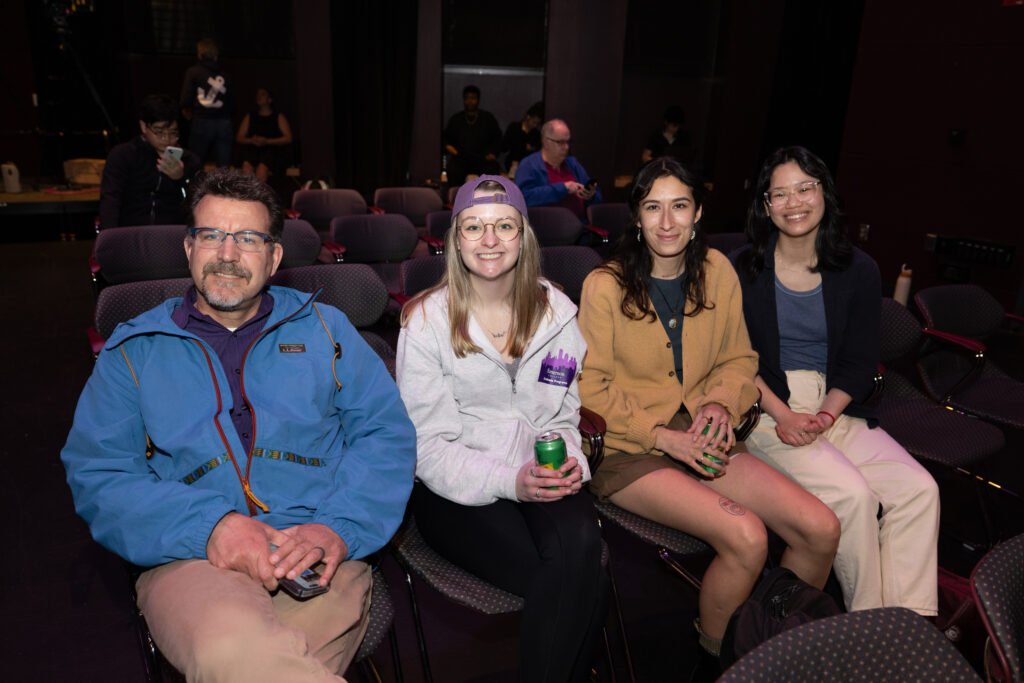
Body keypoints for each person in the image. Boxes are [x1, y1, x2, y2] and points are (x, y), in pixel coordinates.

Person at [62, 169, 417, 681]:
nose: (227, 254)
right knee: (238, 654)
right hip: (189, 554)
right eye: (211, 235)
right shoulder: (133, 351)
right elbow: (99, 475)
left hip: (316, 545)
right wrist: (211, 528)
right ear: (189, 249)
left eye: (248, 239)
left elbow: (385, 435)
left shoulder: (326, 330)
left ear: (274, 257)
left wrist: (336, 527)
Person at [578, 157, 839, 672]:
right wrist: (662, 437)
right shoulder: (604, 285)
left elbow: (740, 359)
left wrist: (720, 400)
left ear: (698, 213)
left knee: (821, 527)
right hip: (632, 448)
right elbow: (589, 388)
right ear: (637, 217)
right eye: (653, 208)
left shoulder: (718, 271)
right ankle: (718, 660)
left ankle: (774, 649)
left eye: (680, 206)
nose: (667, 222)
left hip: (703, 430)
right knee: (747, 537)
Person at [397, 175, 608, 682]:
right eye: (474, 226)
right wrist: (509, 482)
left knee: (584, 553)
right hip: (456, 488)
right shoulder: (425, 323)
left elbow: (563, 412)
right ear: (455, 239)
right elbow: (426, 446)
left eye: (503, 226)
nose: (489, 240)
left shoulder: (558, 314)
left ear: (524, 236)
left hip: (542, 466)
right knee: (570, 577)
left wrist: (569, 464)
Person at [731, 145, 940, 616]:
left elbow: (861, 360)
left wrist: (828, 413)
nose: (794, 202)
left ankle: (907, 621)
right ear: (766, 206)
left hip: (838, 406)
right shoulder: (742, 268)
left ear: (824, 192)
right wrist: (784, 416)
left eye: (805, 188)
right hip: (767, 405)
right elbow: (733, 359)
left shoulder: (858, 268)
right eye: (779, 194)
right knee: (853, 496)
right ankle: (867, 624)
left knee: (919, 491)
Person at [99, 94, 201, 229]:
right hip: (130, 233)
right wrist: (110, 237)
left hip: (172, 234)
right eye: (159, 132)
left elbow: (198, 204)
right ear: (143, 126)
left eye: (173, 132)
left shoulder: (189, 160)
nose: (167, 138)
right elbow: (110, 199)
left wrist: (182, 179)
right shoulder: (123, 155)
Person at [515, 118, 602, 220]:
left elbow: (598, 197)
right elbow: (524, 198)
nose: (566, 147)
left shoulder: (572, 163)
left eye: (568, 142)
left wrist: (590, 195)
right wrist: (564, 188)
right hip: (547, 230)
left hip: (581, 229)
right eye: (561, 142)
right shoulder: (529, 165)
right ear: (545, 141)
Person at [181, 38, 235, 168]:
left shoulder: (193, 72)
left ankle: (196, 187)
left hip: (202, 120)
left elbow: (185, 99)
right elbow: (232, 102)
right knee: (223, 165)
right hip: (224, 122)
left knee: (195, 163)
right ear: (216, 56)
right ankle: (222, 187)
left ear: (199, 54)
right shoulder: (226, 75)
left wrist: (189, 115)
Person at [443, 85, 502, 186]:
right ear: (464, 100)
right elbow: (446, 140)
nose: (470, 101)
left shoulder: (487, 118)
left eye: (473, 98)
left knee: (493, 168)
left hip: (482, 159)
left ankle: (488, 197)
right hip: (461, 158)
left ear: (478, 100)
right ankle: (455, 197)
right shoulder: (456, 119)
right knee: (452, 168)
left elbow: (498, 138)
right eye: (467, 98)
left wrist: (493, 153)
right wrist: (454, 151)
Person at [236, 87, 294, 183]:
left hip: (272, 149)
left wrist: (267, 141)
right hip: (253, 149)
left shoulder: (278, 116)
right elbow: (239, 137)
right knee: (246, 166)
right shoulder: (250, 116)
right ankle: (248, 195)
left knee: (262, 169)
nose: (259, 97)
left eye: (263, 94)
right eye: (258, 95)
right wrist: (251, 140)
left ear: (270, 99)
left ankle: (260, 196)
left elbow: (288, 138)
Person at [501, 101, 544, 179]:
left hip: (528, 165)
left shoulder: (536, 134)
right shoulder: (514, 127)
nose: (535, 126)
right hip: (512, 162)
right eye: (534, 122)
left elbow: (537, 150)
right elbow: (505, 146)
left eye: (538, 124)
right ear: (528, 117)